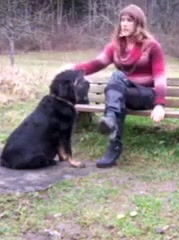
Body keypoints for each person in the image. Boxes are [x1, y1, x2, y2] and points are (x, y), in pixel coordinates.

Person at [63, 4, 167, 168]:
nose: (124, 24)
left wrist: (159, 104)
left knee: (117, 78)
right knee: (117, 89)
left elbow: (159, 76)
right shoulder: (116, 47)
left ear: (138, 23)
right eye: (122, 20)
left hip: (145, 95)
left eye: (129, 20)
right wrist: (72, 70)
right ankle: (114, 144)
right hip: (123, 95)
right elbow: (96, 64)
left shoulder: (152, 47)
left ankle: (110, 121)